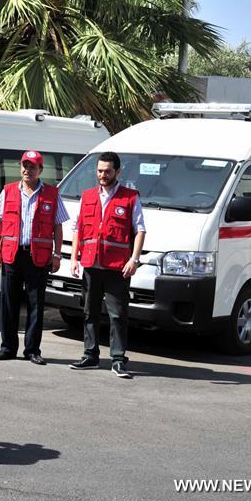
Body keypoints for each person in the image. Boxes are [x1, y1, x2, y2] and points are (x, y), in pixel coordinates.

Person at [69, 151, 145, 379]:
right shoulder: (87, 196)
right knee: (89, 312)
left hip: (117, 267)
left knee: (118, 315)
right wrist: (74, 258)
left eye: (107, 171)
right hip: (91, 264)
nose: (102, 175)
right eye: (99, 171)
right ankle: (90, 356)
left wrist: (134, 259)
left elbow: (140, 230)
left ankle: (118, 359)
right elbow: (77, 229)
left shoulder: (130, 197)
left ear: (117, 172)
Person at [0, 150, 67, 364]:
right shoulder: (8, 191)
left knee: (36, 304)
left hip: (38, 258)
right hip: (12, 255)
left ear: (40, 170)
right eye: (25, 165)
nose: (27, 170)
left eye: (32, 167)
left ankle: (32, 350)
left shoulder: (51, 193)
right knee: (8, 303)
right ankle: (7, 348)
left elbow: (58, 226)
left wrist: (57, 255)